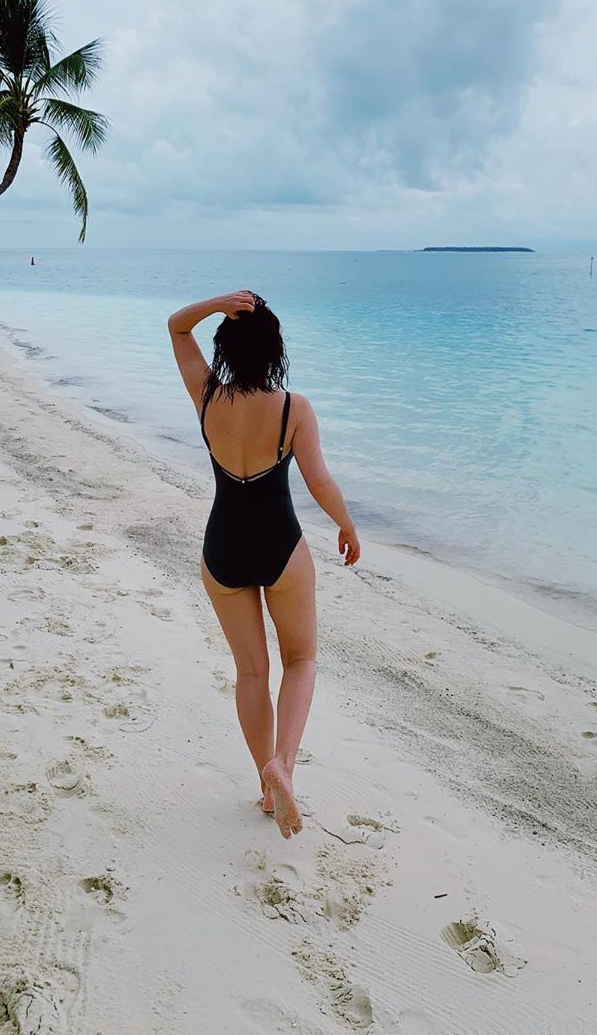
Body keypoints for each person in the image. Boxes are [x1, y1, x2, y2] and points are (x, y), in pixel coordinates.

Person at [167, 290, 361, 837]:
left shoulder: (207, 396)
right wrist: (347, 526)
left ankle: (266, 787)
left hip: (223, 547)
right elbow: (319, 482)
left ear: (225, 348)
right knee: (301, 660)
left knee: (252, 670)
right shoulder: (294, 408)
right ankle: (285, 767)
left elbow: (177, 326)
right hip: (281, 547)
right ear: (276, 350)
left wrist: (218, 304)